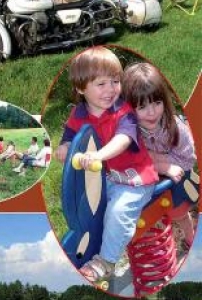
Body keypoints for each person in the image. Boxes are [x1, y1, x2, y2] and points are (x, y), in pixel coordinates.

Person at [55, 46, 159, 282]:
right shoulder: (79, 113)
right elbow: (70, 136)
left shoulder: (124, 112)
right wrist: (64, 147)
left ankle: (107, 261)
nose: (111, 89)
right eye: (101, 84)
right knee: (86, 209)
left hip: (136, 180)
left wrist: (99, 155)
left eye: (115, 81)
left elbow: (123, 140)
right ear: (82, 88)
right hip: (109, 178)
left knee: (118, 211)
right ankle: (86, 248)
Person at [122, 62, 198, 251]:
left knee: (180, 214)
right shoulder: (128, 132)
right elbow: (127, 159)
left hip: (178, 178)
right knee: (146, 217)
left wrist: (160, 162)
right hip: (148, 181)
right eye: (142, 106)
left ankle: (192, 241)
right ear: (129, 109)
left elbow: (188, 159)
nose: (152, 112)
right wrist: (156, 165)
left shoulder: (175, 128)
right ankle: (153, 250)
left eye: (157, 102)